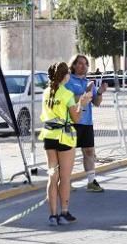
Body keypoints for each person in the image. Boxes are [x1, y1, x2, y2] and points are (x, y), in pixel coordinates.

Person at [39, 61, 93, 226]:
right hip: (64, 137)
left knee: (52, 176)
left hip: (49, 136)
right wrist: (82, 104)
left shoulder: (46, 92)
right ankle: (64, 212)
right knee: (65, 177)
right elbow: (76, 118)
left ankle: (52, 215)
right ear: (64, 76)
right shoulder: (66, 94)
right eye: (68, 73)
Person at [67, 54, 108, 192]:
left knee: (89, 151)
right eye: (80, 63)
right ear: (73, 65)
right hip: (72, 121)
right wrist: (87, 92)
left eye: (86, 64)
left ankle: (91, 182)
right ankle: (66, 181)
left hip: (87, 123)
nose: (83, 66)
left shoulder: (88, 82)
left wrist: (100, 92)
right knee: (69, 154)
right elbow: (70, 99)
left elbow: (96, 103)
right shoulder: (68, 81)